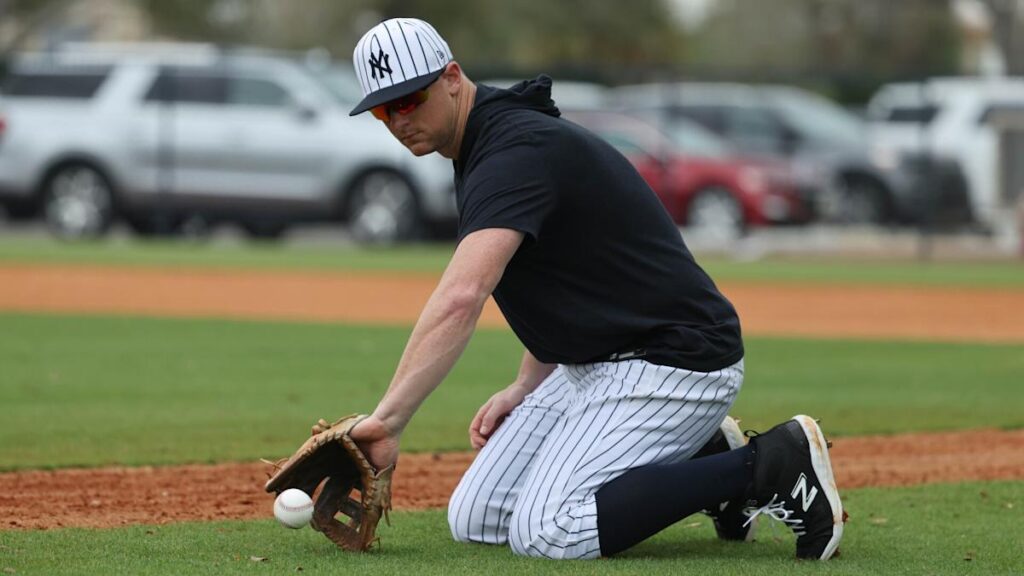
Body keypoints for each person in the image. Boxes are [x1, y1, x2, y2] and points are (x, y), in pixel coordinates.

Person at [345, 17, 845, 560]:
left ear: (451, 77)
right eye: (382, 109)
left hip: (676, 361)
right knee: (478, 518)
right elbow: (565, 278)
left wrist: (389, 420)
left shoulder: (512, 152)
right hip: (599, 363)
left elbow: (462, 296)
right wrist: (523, 385)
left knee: (548, 533)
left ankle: (766, 466)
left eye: (408, 100)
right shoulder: (483, 147)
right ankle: (702, 450)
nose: (398, 120)